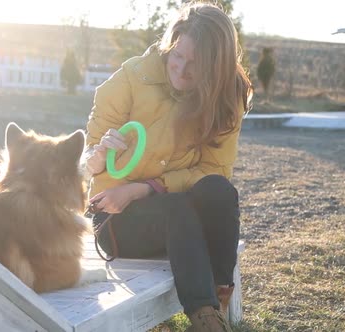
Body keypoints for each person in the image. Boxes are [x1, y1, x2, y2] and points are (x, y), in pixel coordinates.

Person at [84, 2, 252, 332]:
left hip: (179, 213)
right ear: (171, 44)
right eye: (177, 56)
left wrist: (147, 187)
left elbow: (215, 171)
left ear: (216, 69)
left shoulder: (227, 94)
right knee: (176, 208)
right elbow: (88, 159)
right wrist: (98, 154)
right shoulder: (131, 78)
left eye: (196, 65)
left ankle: (217, 302)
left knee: (219, 191)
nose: (182, 70)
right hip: (118, 220)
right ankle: (206, 321)